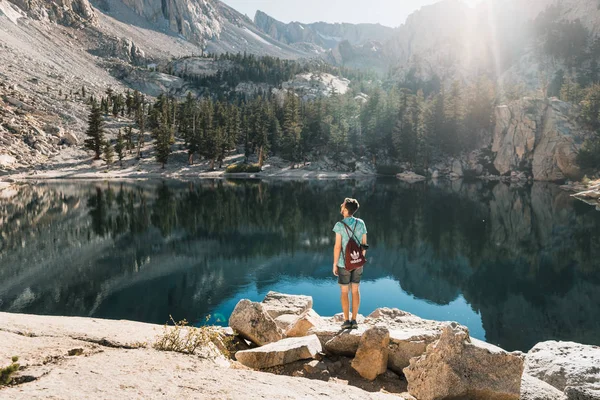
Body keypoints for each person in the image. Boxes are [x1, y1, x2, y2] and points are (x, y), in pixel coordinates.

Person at [332, 198, 368, 330]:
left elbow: (337, 246)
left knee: (344, 291)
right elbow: (364, 244)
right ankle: (355, 320)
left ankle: (346, 321)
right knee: (355, 290)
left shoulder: (339, 225)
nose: (341, 207)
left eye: (342, 205)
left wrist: (335, 263)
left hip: (343, 263)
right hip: (358, 263)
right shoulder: (361, 223)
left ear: (346, 210)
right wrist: (360, 260)